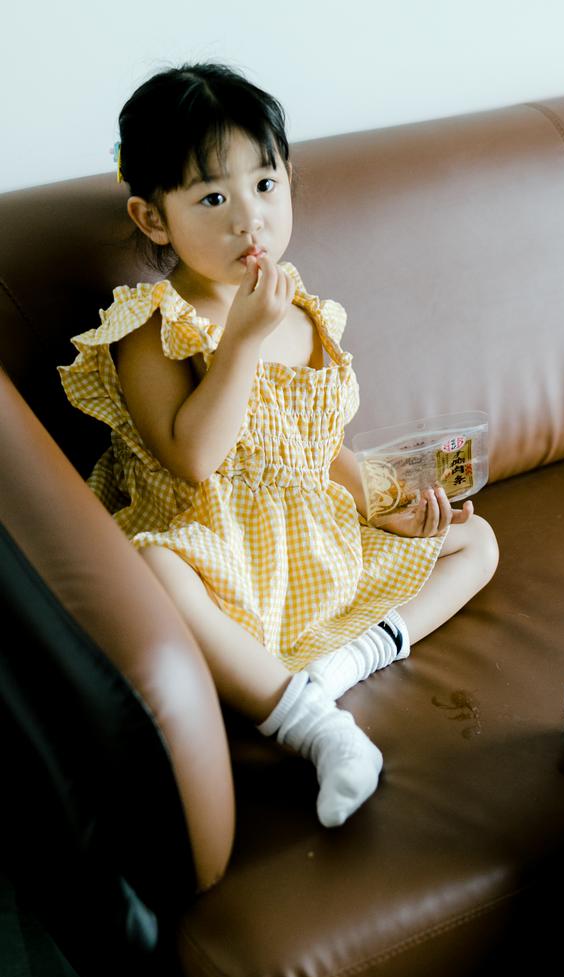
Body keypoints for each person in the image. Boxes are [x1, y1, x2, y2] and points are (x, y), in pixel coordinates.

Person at [59, 63, 498, 827]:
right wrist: (239, 344)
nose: (249, 220)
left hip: (306, 545)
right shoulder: (153, 328)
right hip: (216, 555)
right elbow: (191, 460)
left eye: (265, 185)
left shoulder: (304, 313)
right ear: (153, 219)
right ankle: (313, 725)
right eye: (213, 198)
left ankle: (343, 664)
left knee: (477, 540)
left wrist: (385, 505)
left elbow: (318, 451)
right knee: (153, 569)